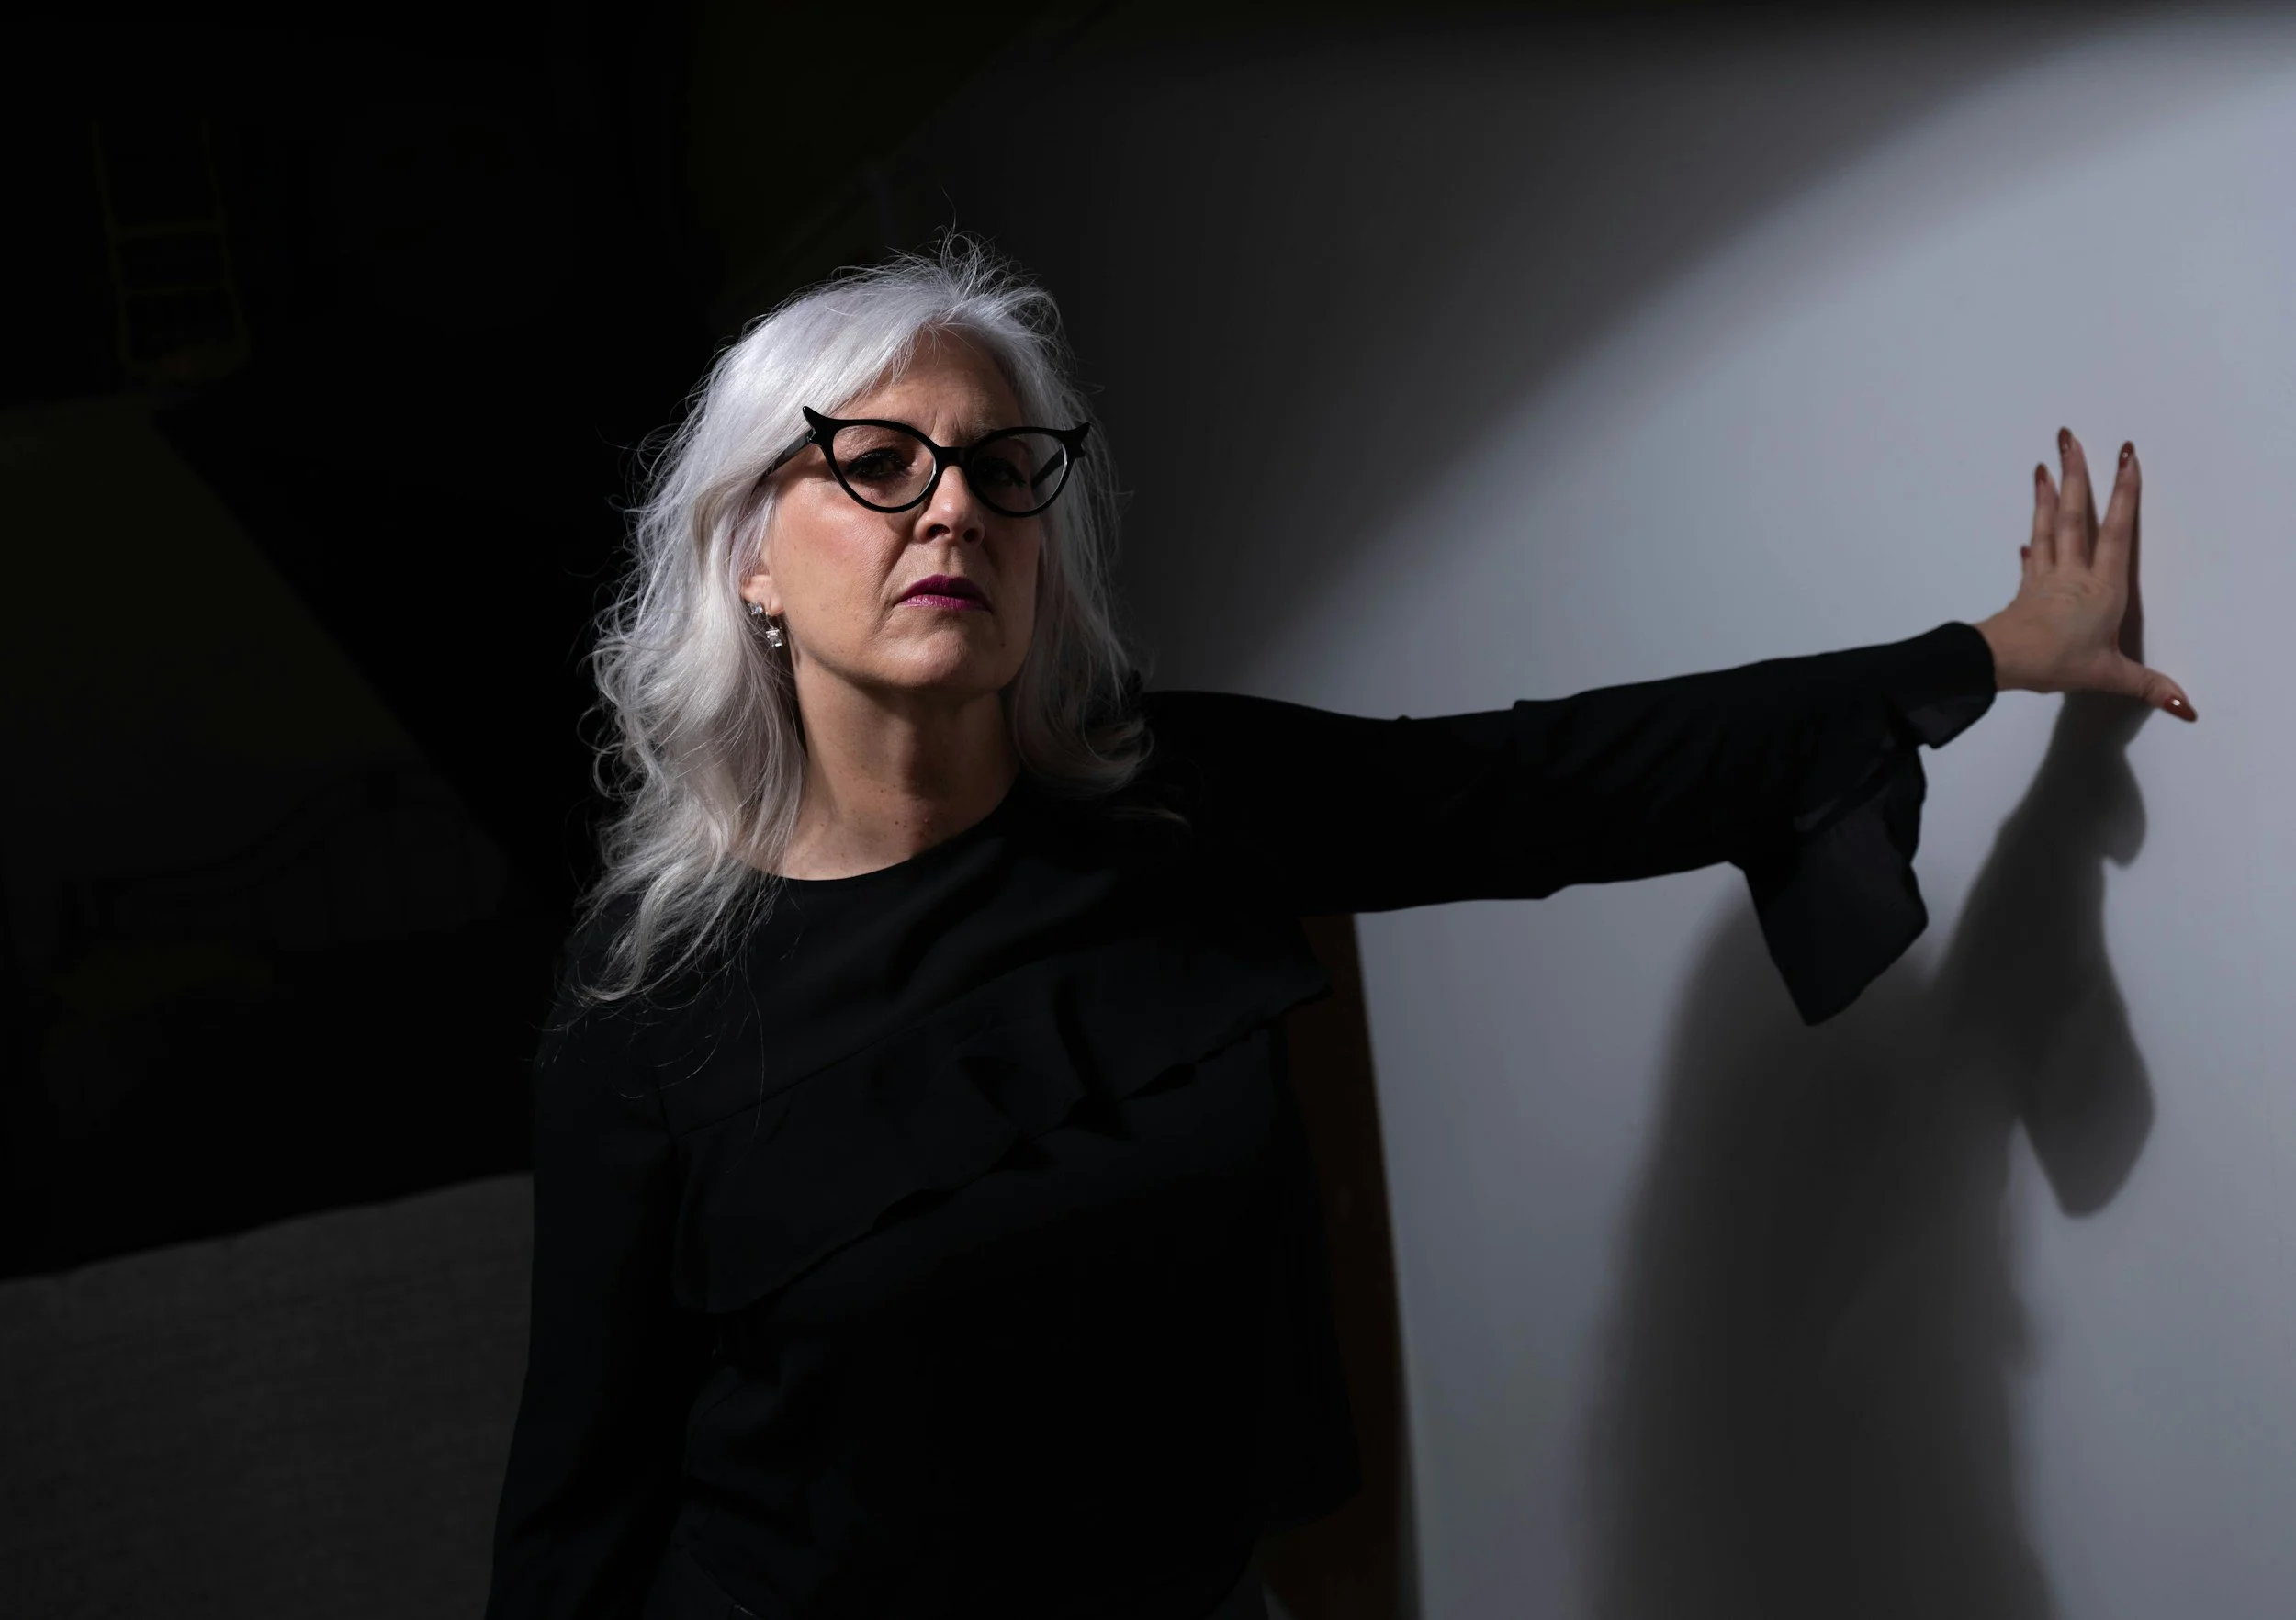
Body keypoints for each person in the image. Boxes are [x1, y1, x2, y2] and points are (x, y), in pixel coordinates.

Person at [480, 240, 2192, 1620]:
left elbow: (1552, 779)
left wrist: (1984, 653)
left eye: (1002, 471)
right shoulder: (649, 1003)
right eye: (875, 465)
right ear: (749, 560)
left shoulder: (1169, 805)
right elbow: (580, 1498)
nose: (953, 511)